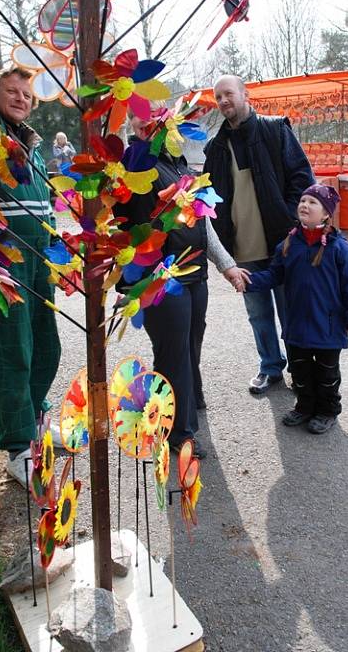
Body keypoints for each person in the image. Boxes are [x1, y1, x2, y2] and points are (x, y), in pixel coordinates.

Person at [114, 112, 248, 459]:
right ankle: (177, 432)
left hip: (193, 274)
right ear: (140, 128)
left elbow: (204, 224)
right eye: (151, 122)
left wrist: (226, 266)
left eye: (167, 121)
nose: (163, 128)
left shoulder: (184, 168)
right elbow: (125, 222)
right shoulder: (137, 167)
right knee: (172, 353)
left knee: (190, 343)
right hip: (160, 278)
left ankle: (187, 402)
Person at [0, 66, 62, 485]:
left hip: (39, 257)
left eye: (27, 93)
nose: (21, 98)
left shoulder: (32, 142)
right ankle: (17, 446)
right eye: (12, 91)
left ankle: (36, 416)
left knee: (46, 344)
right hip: (2, 262)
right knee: (12, 352)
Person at [203, 74, 315, 394]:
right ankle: (270, 367)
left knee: (290, 309)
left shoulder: (275, 130)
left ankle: (299, 367)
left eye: (228, 94)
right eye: (218, 97)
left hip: (282, 241)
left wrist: (294, 224)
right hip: (242, 248)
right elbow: (208, 200)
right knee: (258, 313)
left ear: (245, 94)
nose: (224, 101)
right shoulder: (216, 147)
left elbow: (302, 179)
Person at [242, 184, 348, 434]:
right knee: (299, 369)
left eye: (312, 202)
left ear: (325, 214)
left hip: (328, 326)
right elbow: (274, 274)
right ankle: (304, 406)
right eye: (302, 200)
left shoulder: (340, 249)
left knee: (327, 373)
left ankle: (327, 410)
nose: (304, 205)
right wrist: (249, 281)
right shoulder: (288, 244)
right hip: (297, 323)